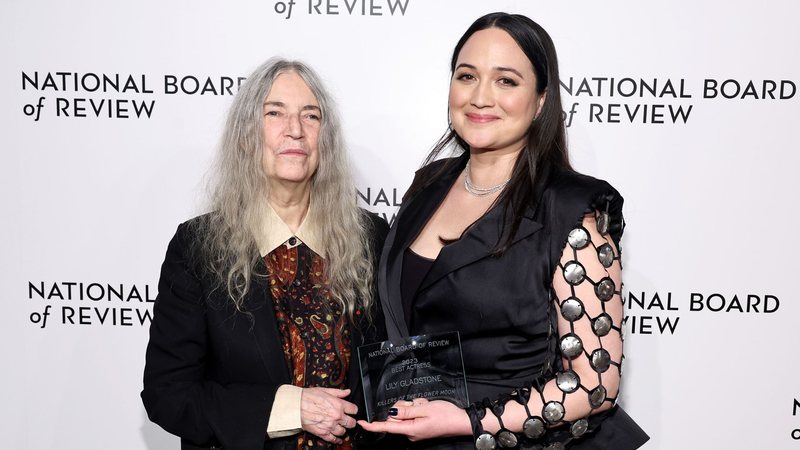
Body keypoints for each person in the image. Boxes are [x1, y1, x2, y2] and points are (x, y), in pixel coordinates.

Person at [359, 12, 649, 450]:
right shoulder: (428, 185)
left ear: (540, 100)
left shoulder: (571, 208)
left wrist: (467, 421)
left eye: (506, 81)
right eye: (467, 75)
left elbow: (595, 384)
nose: (480, 96)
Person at [141, 58, 389, 450]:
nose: (295, 130)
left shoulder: (372, 237)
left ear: (326, 139)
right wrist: (292, 408)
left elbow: (392, 372)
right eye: (275, 113)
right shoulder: (198, 247)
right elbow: (168, 395)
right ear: (245, 136)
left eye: (311, 116)